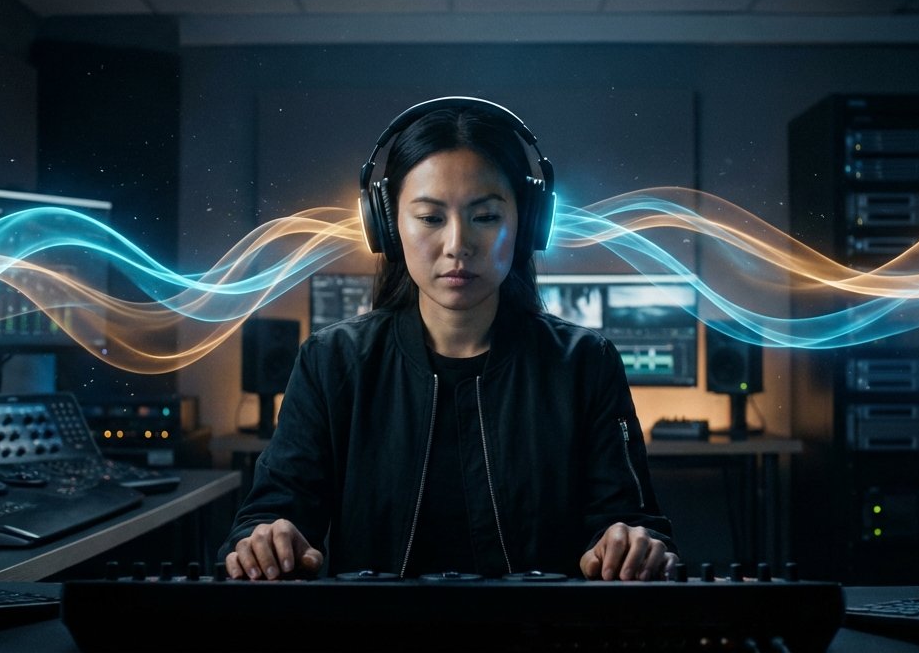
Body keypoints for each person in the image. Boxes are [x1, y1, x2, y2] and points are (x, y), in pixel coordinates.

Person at [219, 97, 677, 582]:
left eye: (486, 216)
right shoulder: (331, 363)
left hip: (540, 626)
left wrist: (630, 544)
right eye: (431, 218)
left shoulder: (585, 364)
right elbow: (272, 512)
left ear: (527, 224)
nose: (458, 245)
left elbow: (631, 519)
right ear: (386, 226)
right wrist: (267, 539)